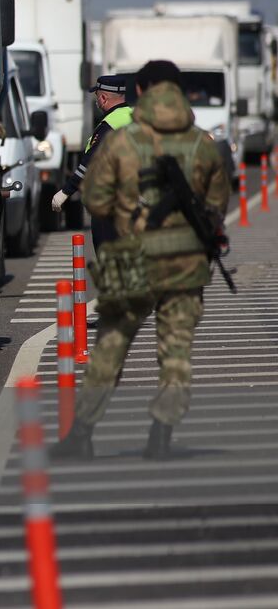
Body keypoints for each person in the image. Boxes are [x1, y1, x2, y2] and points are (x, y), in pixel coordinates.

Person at [52, 60, 229, 460]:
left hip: (131, 259)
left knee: (111, 347)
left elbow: (96, 198)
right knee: (175, 353)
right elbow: (218, 204)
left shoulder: (121, 138)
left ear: (143, 91)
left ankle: (81, 436)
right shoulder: (203, 142)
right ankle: (161, 436)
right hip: (184, 263)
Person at [52, 74, 134, 246]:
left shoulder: (109, 125)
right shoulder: (136, 117)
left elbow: (90, 163)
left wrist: (66, 191)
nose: (96, 101)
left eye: (97, 96)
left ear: (103, 98)